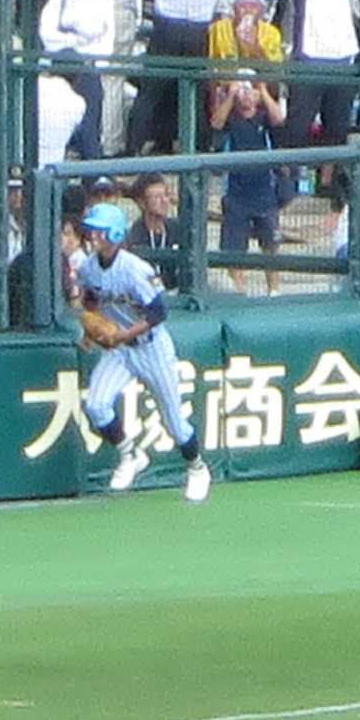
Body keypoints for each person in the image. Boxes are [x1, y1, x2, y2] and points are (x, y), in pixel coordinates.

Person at [69, 199, 209, 504]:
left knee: (173, 421)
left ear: (115, 234)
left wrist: (124, 333)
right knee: (96, 405)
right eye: (91, 231)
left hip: (152, 348)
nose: (92, 236)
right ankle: (129, 454)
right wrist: (90, 333)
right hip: (119, 351)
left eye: (99, 232)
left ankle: (197, 468)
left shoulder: (135, 269)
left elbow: (158, 312)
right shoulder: (89, 267)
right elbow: (92, 300)